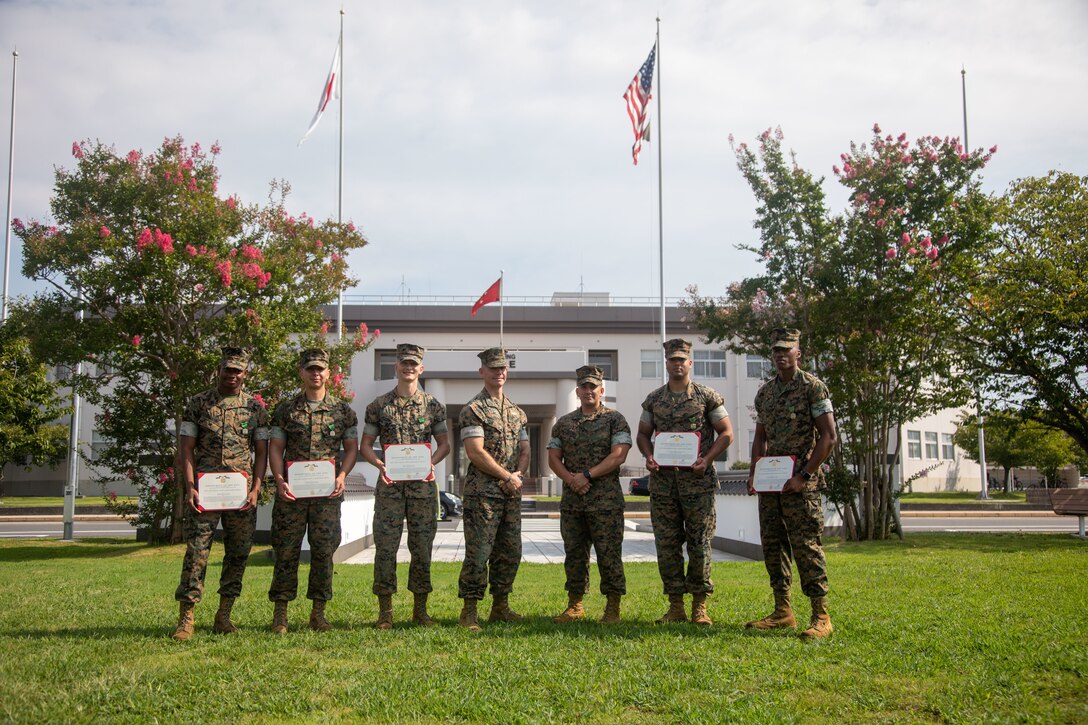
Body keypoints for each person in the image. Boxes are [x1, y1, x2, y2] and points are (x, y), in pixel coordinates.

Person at [172, 347, 269, 641]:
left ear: (245, 374)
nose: (233, 375)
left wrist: (256, 488)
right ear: (220, 370)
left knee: (238, 554)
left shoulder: (255, 409)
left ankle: (224, 615)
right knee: (197, 553)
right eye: (228, 369)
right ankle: (186, 617)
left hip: (241, 496)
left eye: (238, 370)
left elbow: (261, 452)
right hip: (206, 493)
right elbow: (186, 449)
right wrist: (190, 487)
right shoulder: (198, 404)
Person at [746, 327, 837, 640]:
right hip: (771, 484)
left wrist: (805, 475)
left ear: (799, 353)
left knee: (806, 546)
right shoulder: (765, 393)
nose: (781, 355)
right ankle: (782, 610)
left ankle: (820, 615)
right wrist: (753, 473)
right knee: (773, 546)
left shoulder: (813, 387)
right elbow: (760, 438)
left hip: (801, 484)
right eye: (776, 350)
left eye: (787, 349)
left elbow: (828, 437)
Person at [636, 338, 734, 626]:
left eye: (682, 359)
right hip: (664, 486)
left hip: (697, 485)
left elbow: (726, 433)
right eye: (672, 359)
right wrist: (649, 456)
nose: (677, 364)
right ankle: (675, 605)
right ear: (666, 363)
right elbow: (643, 434)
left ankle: (699, 606)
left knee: (700, 544)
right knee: (666, 545)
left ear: (690, 363)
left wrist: (707, 459)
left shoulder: (707, 397)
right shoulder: (653, 400)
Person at [267, 348, 359, 633]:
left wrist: (343, 475)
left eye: (320, 369)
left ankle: (318, 613)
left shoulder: (343, 411)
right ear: (302, 372)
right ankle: (280, 615)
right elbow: (276, 448)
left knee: (323, 553)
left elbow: (352, 448)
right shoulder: (286, 410)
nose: (315, 373)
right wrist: (279, 479)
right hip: (291, 496)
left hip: (327, 496)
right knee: (286, 552)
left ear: (328, 373)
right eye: (310, 369)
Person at [360, 343, 450, 629]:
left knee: (422, 548)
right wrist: (379, 464)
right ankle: (385, 613)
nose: (409, 368)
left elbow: (445, 444)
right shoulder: (378, 406)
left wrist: (431, 462)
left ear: (421, 368)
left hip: (422, 489)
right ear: (396, 367)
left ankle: (420, 611)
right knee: (385, 548)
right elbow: (365, 446)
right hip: (389, 487)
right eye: (404, 363)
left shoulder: (433, 405)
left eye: (414, 364)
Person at [547, 365, 632, 624]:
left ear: (601, 390)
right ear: (577, 391)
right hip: (574, 502)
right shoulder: (564, 423)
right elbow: (553, 458)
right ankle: (575, 606)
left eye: (593, 386)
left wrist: (587, 475)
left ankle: (612, 607)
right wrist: (572, 479)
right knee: (574, 554)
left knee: (609, 554)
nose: (588, 391)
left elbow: (619, 455)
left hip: (605, 502)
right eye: (583, 386)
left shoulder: (614, 419)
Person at [456, 347, 530, 631]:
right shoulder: (473, 410)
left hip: (510, 493)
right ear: (482, 372)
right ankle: (469, 610)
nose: (499, 373)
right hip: (482, 494)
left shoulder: (517, 413)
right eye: (493, 368)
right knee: (479, 553)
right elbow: (475, 452)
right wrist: (506, 476)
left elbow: (525, 449)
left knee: (510, 551)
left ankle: (500, 607)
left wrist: (517, 475)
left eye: (503, 368)